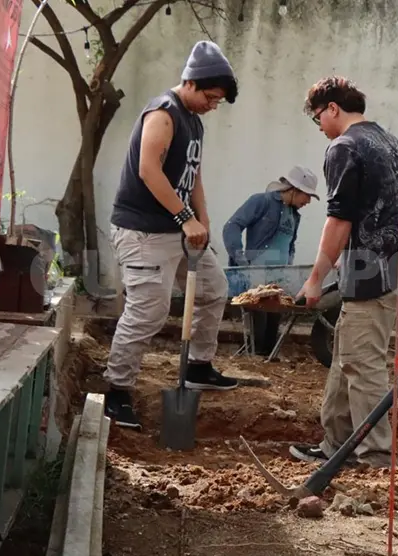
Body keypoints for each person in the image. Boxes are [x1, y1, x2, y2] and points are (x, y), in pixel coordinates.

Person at [290, 76, 398, 468]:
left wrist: (314, 280)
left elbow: (339, 220)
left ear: (333, 108)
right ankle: (336, 443)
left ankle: (375, 454)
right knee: (347, 350)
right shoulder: (390, 142)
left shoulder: (344, 146)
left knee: (362, 361)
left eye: (318, 117)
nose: (319, 126)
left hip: (377, 272)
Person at [104, 40, 240, 430]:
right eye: (210, 98)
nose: (212, 106)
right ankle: (117, 390)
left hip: (180, 229)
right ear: (192, 82)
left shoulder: (194, 121)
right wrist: (185, 217)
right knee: (148, 310)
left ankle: (198, 366)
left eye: (218, 101)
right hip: (144, 232)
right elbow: (149, 169)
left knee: (213, 289)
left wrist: (202, 219)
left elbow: (193, 174)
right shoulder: (164, 113)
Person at [222, 166, 320, 355]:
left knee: (273, 328)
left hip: (279, 279)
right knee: (259, 326)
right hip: (257, 277)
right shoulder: (261, 201)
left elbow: (290, 245)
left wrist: (289, 268)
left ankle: (266, 358)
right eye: (307, 195)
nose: (308, 201)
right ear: (294, 189)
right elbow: (232, 226)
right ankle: (254, 359)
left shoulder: (294, 216)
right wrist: (241, 260)